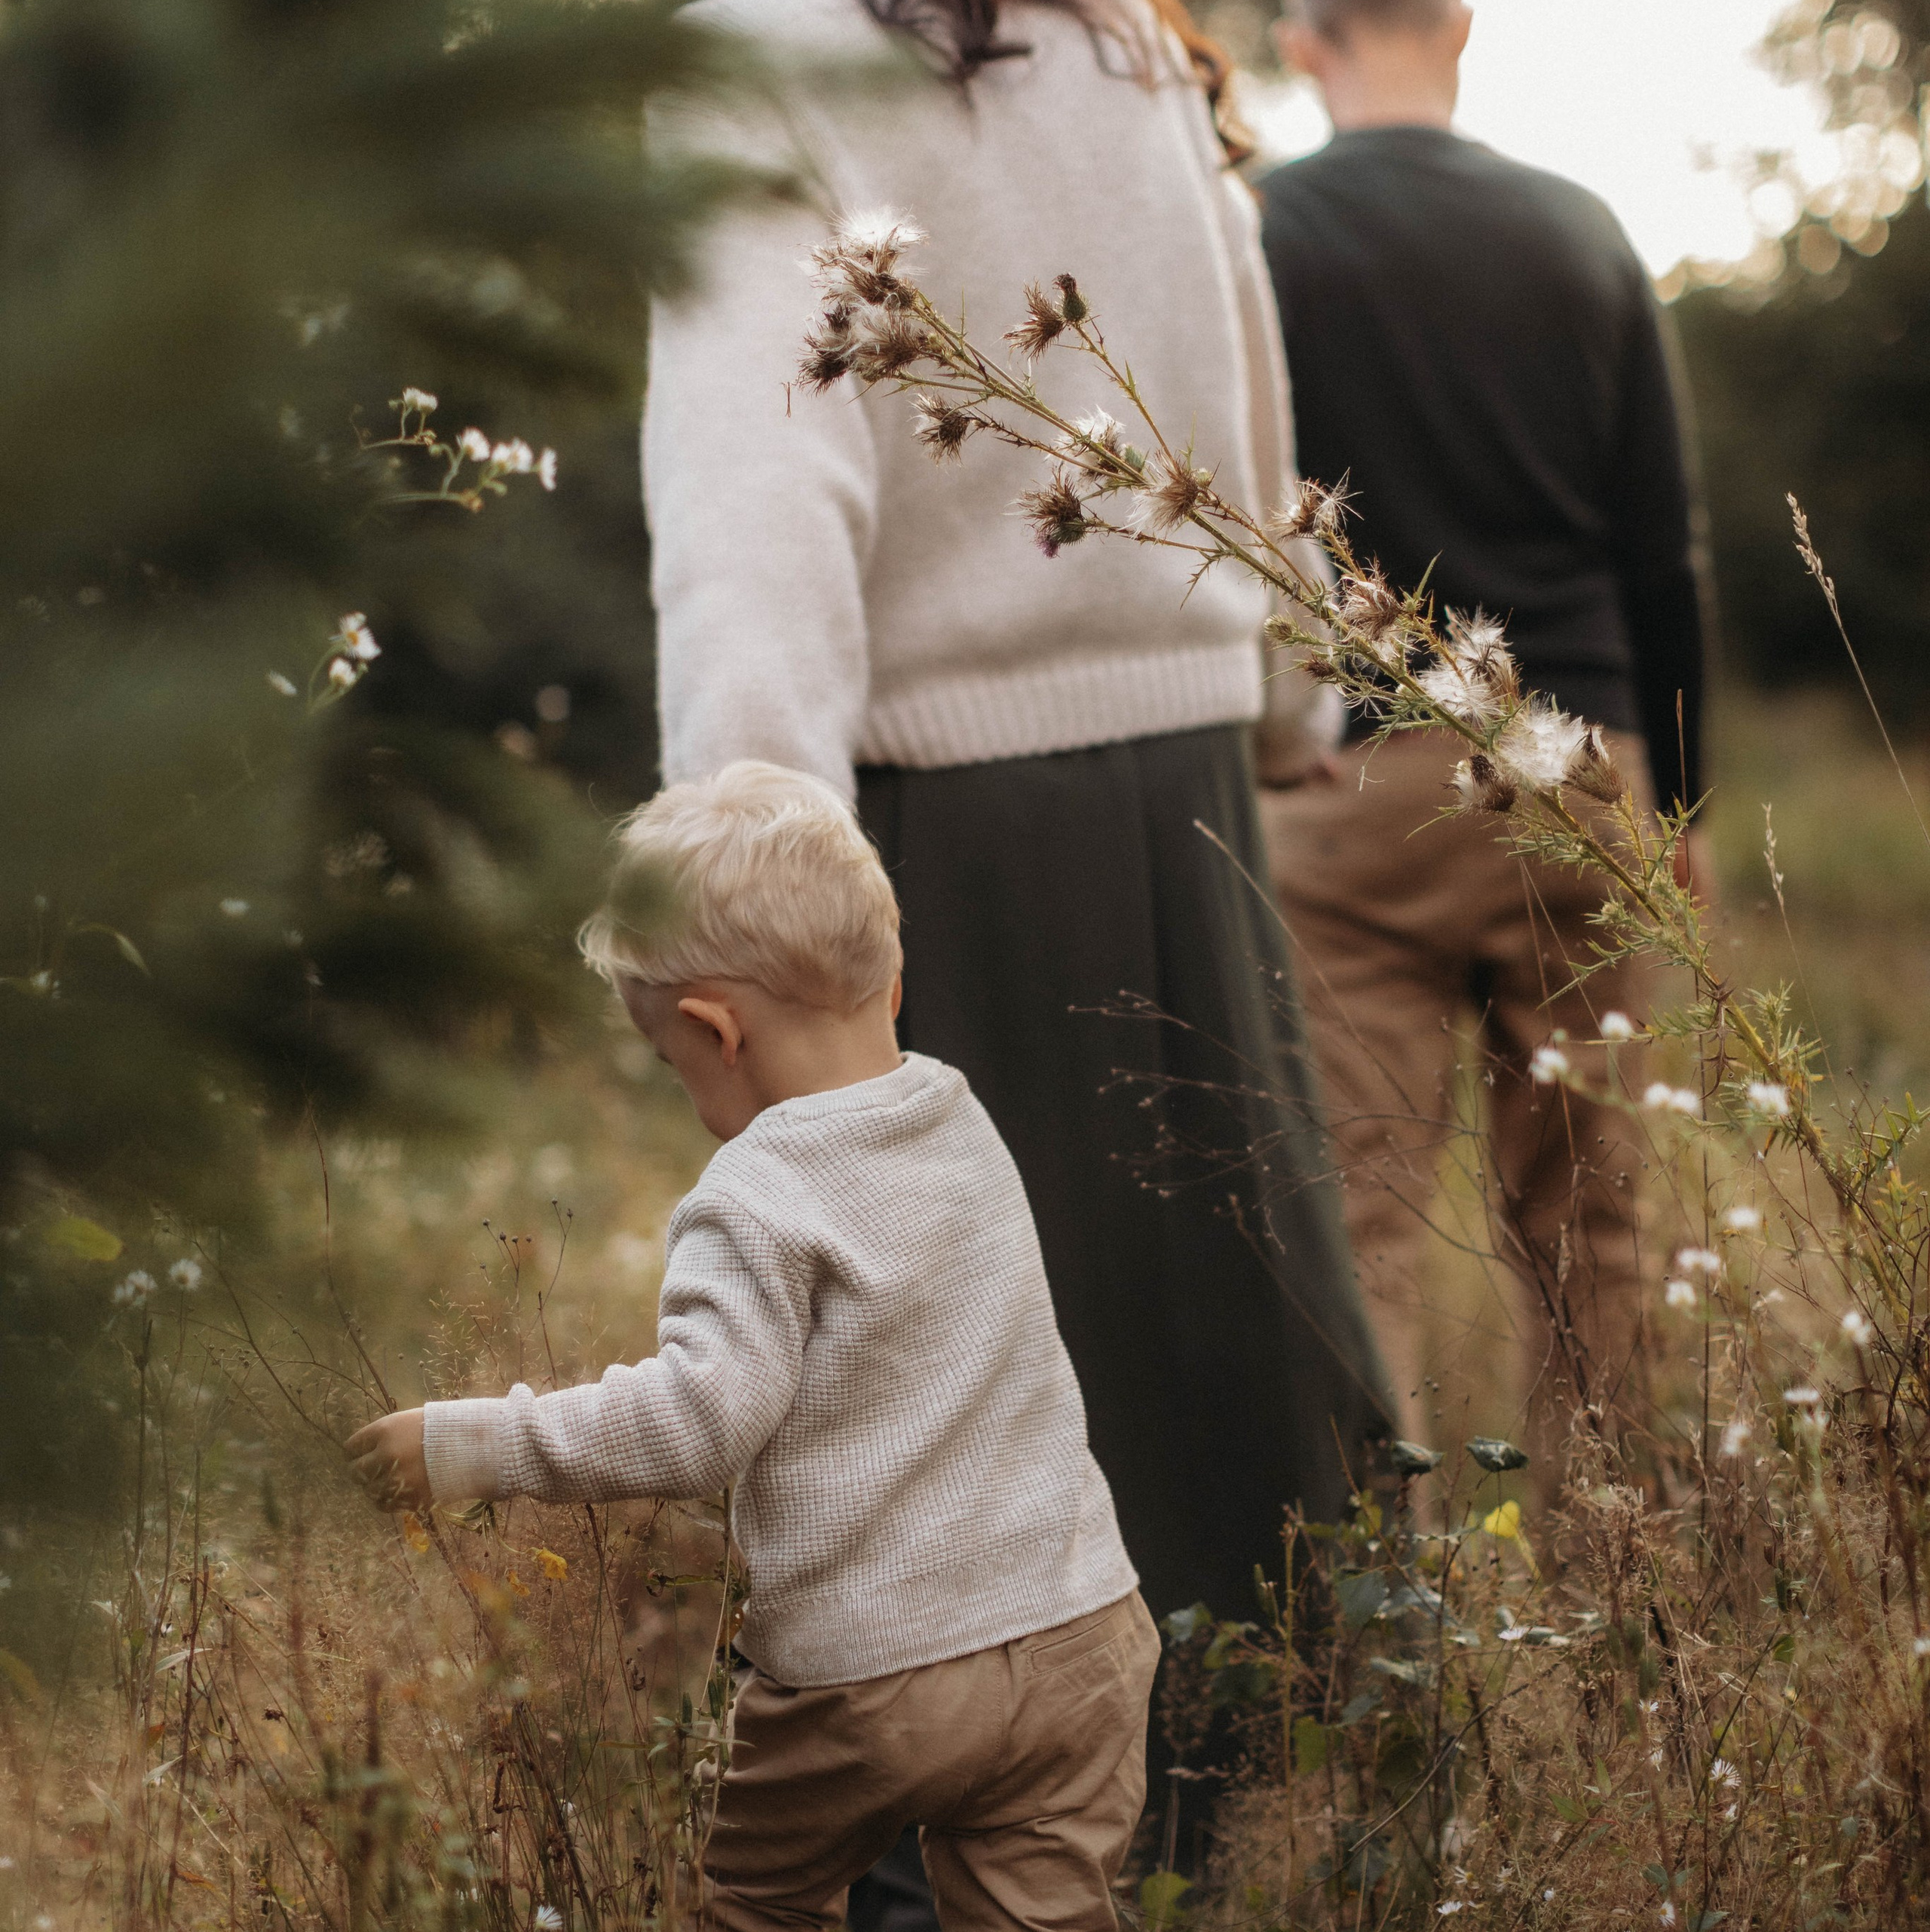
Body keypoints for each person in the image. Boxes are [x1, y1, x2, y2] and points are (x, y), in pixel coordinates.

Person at [647, 0, 1392, 1649]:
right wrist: (1282, 699)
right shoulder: (1133, 37)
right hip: (1192, 790)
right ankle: (1264, 1825)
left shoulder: (760, 41)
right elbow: (1239, 402)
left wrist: (740, 894)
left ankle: (1000, 1882)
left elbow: (751, 499)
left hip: (937, 834)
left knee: (960, 1437)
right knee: (1224, 1379)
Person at [346, 762, 1160, 1932]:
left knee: (749, 1901)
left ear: (714, 1030)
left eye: (675, 1067)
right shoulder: (958, 1115)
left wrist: (478, 1443)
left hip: (880, 1679)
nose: (688, 1095)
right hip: (1083, 1633)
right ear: (889, 982)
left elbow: (696, 1420)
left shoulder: (757, 1192)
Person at [1254, 0, 1715, 1443]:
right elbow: (1666, 551)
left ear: (1294, 44)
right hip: (1580, 769)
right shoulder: (1584, 231)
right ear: (1461, 25)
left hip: (1350, 782)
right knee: (1601, 1228)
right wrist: (1681, 807)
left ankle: (1371, 1630)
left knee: (1356, 1228)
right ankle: (1625, 1613)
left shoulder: (1255, 234)